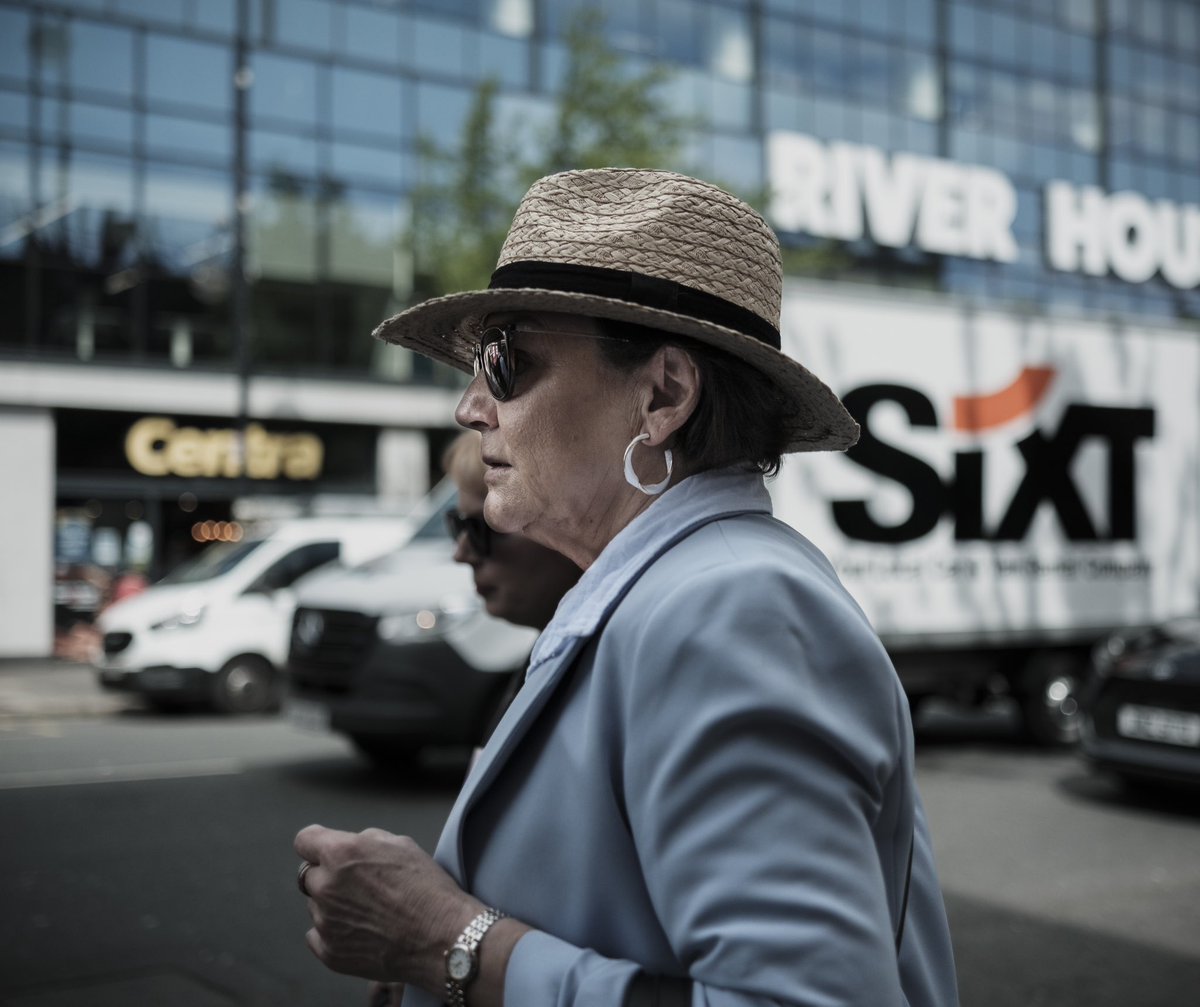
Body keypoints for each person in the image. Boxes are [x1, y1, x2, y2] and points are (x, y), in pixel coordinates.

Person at [295, 168, 960, 1007]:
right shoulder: (662, 591)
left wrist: (447, 943)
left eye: (504, 362)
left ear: (663, 395)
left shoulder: (730, 607)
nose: (470, 406)